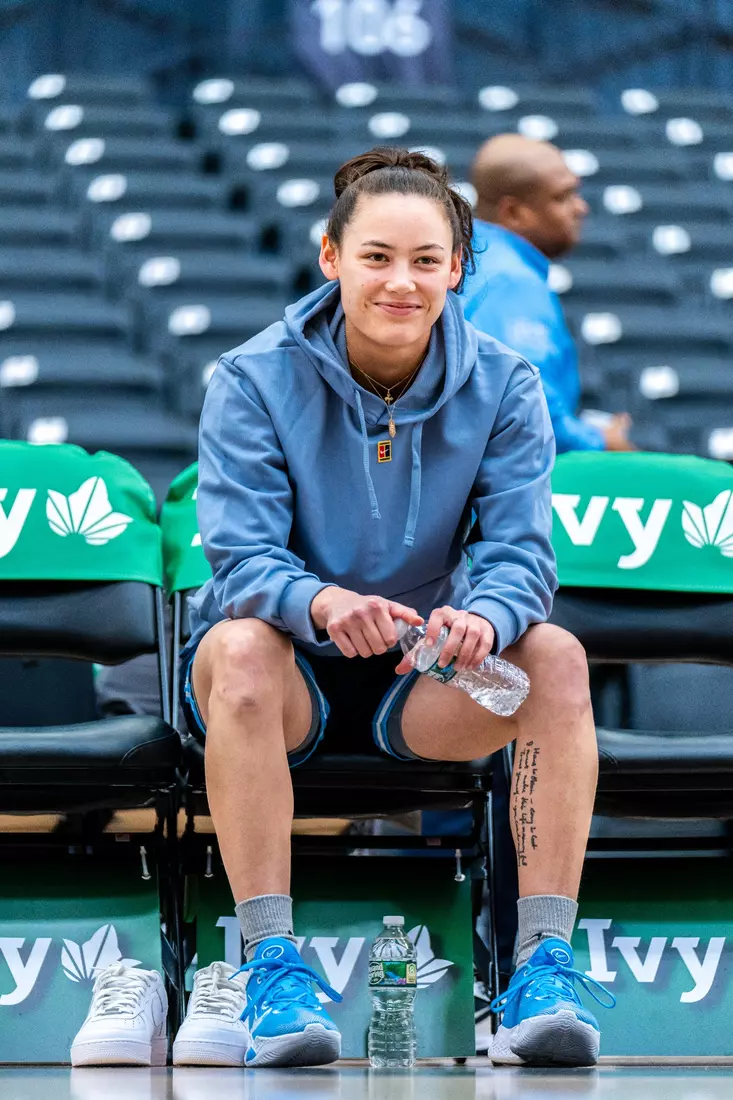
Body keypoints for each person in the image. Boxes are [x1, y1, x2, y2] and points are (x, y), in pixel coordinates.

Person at [72, 145, 611, 1071]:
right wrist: (316, 602)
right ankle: (271, 970)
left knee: (553, 655)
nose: (400, 283)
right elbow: (238, 560)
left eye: (425, 261)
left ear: (456, 268)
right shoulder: (252, 376)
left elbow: (522, 554)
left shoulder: (506, 384)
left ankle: (540, 970)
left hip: (427, 673)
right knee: (239, 646)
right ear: (331, 258)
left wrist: (483, 614)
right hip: (283, 675)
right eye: (375, 257)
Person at [462, 133, 634, 454]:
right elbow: (524, 400)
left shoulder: (476, 259)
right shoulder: (509, 281)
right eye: (562, 197)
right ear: (513, 212)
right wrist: (599, 442)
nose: (580, 208)